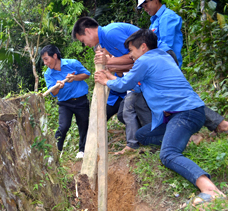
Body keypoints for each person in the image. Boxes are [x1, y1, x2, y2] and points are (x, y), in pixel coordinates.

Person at [94, 29, 225, 205]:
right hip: (188, 114)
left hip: (184, 114)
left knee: (168, 155)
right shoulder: (162, 57)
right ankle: (182, 138)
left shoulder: (145, 61)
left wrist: (106, 80)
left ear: (143, 47)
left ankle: (210, 189)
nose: (130, 56)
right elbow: (138, 87)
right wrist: (111, 77)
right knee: (142, 135)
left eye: (131, 51)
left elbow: (125, 83)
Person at [72, 17, 174, 155]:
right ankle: (148, 141)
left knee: (165, 98)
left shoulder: (110, 33)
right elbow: (132, 62)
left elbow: (134, 57)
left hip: (161, 57)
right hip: (151, 65)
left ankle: (169, 137)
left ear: (88, 31)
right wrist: (110, 66)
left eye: (83, 41)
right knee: (132, 105)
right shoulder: (105, 41)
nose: (85, 45)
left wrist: (109, 65)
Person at [137, 0, 228, 135]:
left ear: (155, 1)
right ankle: (216, 125)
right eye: (142, 7)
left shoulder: (168, 17)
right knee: (180, 101)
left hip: (167, 67)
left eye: (146, 5)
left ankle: (221, 124)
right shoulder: (154, 21)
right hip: (161, 67)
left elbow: (165, 47)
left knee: (184, 101)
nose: (145, 8)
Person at [40, 44, 90, 159]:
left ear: (55, 56)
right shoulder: (48, 74)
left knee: (83, 125)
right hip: (65, 104)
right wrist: (58, 86)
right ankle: (55, 154)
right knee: (63, 126)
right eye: (44, 60)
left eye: (46, 59)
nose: (45, 63)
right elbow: (54, 93)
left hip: (81, 101)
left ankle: (82, 150)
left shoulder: (72, 63)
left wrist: (74, 77)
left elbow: (86, 74)